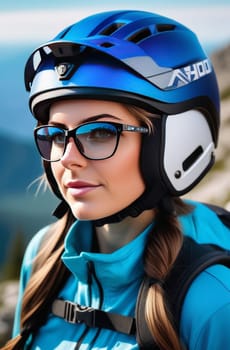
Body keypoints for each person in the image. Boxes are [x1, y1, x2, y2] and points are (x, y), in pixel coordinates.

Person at [3, 9, 230, 350]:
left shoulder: (213, 303)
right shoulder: (43, 257)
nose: (67, 158)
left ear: (175, 140)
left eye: (100, 133)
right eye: (56, 134)